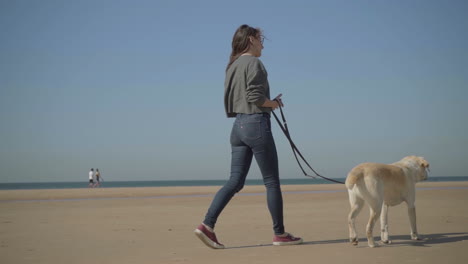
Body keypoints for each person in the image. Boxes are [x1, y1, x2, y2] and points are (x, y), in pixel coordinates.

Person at [194, 24, 303, 249]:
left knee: (235, 181)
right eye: (261, 38)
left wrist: (267, 103)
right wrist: (273, 103)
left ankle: (207, 225)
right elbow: (255, 96)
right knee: (272, 182)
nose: (263, 43)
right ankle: (280, 234)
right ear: (251, 39)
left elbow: (238, 97)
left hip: (238, 126)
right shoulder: (254, 63)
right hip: (255, 123)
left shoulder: (232, 65)